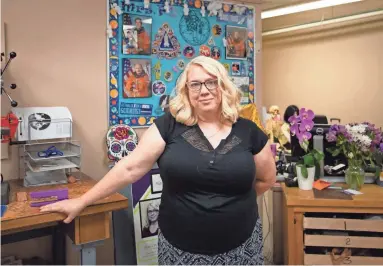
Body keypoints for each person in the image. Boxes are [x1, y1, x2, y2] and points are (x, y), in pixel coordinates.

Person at [40, 56, 276, 265]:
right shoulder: (168, 126)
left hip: (241, 247)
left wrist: (231, 203)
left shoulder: (249, 131)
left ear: (223, 86)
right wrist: (81, 202)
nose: (204, 90)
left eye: (211, 81)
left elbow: (266, 179)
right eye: (195, 84)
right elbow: (130, 168)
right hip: (180, 249)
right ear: (186, 92)